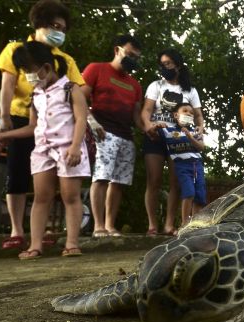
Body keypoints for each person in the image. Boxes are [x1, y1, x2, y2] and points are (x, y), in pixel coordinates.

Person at [0, 0, 85, 249]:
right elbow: (7, 85)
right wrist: (5, 121)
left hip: (62, 129)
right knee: (18, 174)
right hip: (22, 119)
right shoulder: (17, 50)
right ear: (39, 25)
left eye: (63, 28)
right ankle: (18, 232)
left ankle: (62, 239)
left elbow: (81, 95)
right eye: (55, 26)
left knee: (61, 189)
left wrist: (73, 99)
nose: (59, 32)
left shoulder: (63, 61)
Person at [82, 34, 152, 237]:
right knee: (101, 177)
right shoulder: (96, 69)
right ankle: (98, 226)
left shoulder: (135, 85)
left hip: (126, 136)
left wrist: (149, 128)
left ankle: (110, 225)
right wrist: (91, 122)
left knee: (119, 182)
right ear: (117, 50)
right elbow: (80, 99)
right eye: (129, 54)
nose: (133, 59)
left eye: (136, 57)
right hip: (103, 132)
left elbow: (137, 117)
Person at [140, 49, 205, 236]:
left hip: (180, 139)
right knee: (154, 180)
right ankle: (152, 225)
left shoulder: (190, 90)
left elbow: (198, 115)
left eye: (168, 63)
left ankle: (169, 224)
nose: (164, 67)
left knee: (177, 181)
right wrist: (149, 126)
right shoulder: (155, 86)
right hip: (156, 136)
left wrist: (199, 129)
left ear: (178, 65)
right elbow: (146, 111)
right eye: (162, 64)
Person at [159, 103, 206, 226]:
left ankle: (195, 225)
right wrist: (156, 126)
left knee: (200, 196)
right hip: (182, 166)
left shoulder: (196, 131)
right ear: (176, 115)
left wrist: (190, 137)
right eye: (185, 111)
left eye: (191, 113)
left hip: (197, 166)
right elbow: (151, 129)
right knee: (189, 192)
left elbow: (201, 147)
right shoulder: (169, 131)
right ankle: (184, 223)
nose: (188, 114)